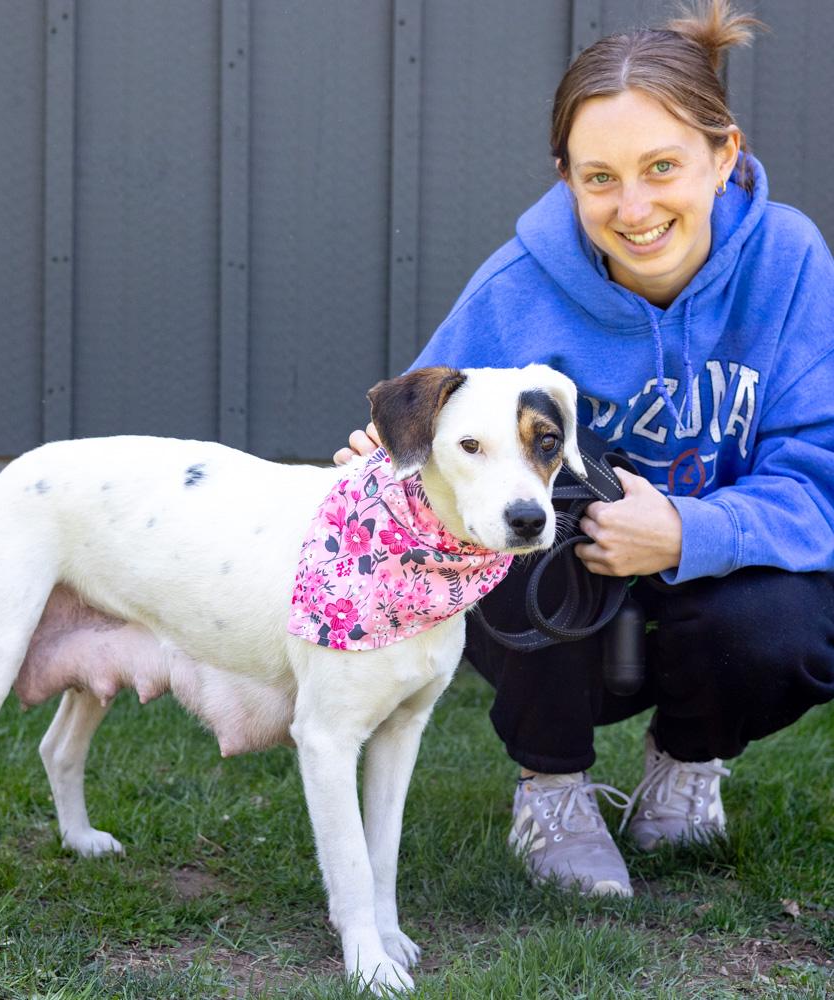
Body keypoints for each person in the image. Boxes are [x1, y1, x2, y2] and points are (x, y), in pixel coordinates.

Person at [335, 0, 834, 897]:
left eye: (663, 167)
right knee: (515, 549)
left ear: (725, 155)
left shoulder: (789, 262)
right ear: (564, 176)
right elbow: (424, 445)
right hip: (562, 603)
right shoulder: (520, 286)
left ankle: (685, 761)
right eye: (599, 177)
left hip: (712, 587)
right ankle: (553, 785)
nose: (633, 207)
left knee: (786, 628)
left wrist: (685, 530)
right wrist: (380, 469)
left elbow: (821, 476)